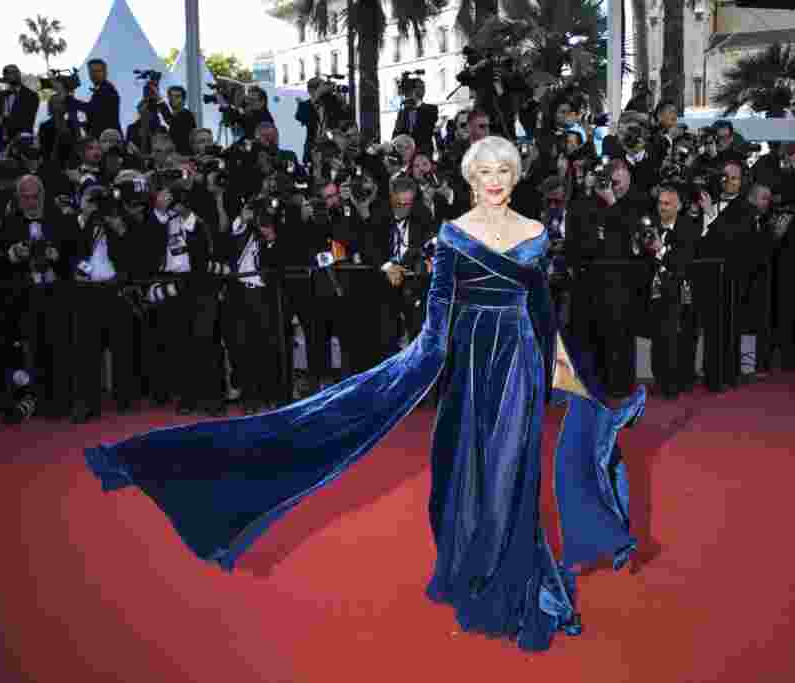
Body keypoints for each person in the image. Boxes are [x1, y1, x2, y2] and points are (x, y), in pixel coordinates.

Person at [83, 136, 646, 653]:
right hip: (471, 366)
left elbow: (542, 312)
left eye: (504, 169)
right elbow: (437, 320)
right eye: (485, 171)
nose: (495, 179)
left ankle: (515, 585)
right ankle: (474, 567)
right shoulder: (451, 235)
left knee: (512, 471)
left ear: (516, 175)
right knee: (469, 469)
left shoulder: (534, 234)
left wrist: (571, 383)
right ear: (471, 178)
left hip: (520, 363)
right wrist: (403, 372)